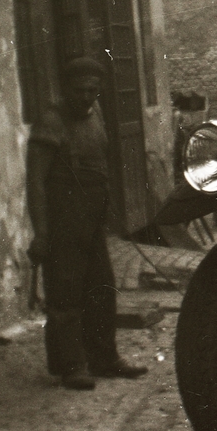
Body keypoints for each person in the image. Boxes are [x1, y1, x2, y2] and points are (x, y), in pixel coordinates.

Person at [26, 56, 147, 390]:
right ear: (66, 89)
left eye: (92, 91)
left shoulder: (97, 117)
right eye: (79, 91)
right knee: (65, 297)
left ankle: (105, 359)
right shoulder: (50, 122)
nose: (86, 97)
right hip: (62, 225)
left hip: (92, 224)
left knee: (102, 290)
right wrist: (41, 232)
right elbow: (35, 181)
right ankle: (71, 365)